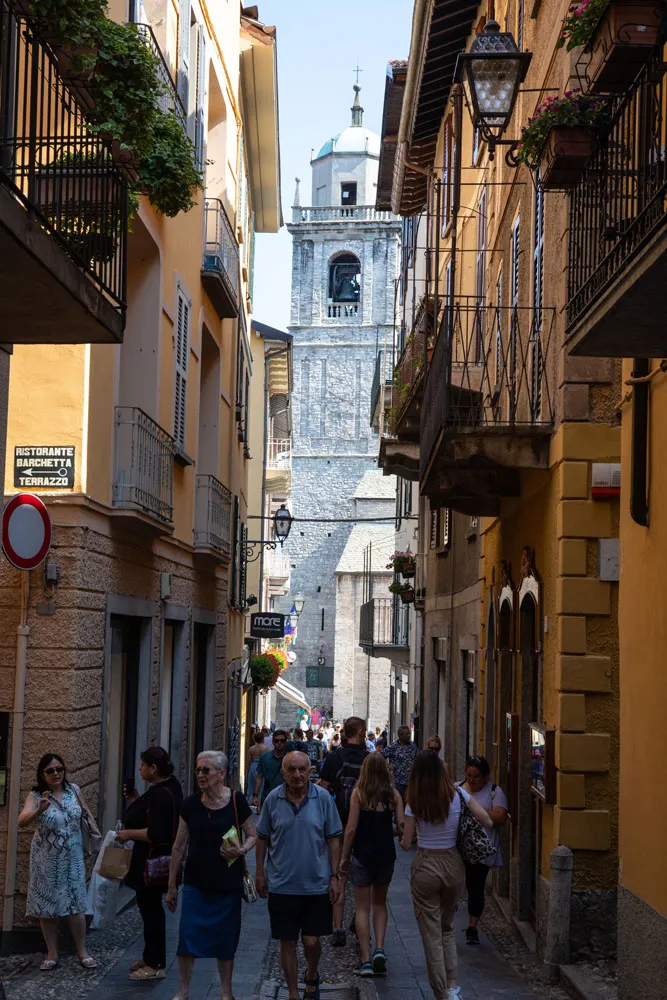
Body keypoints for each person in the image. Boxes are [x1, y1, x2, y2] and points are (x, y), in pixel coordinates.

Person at [401, 752, 493, 1000]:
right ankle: (452, 987)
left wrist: (406, 833)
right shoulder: (459, 794)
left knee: (431, 933)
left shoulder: (414, 799)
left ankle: (441, 992)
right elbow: (487, 820)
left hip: (426, 864)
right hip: (453, 863)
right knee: (447, 928)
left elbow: (407, 843)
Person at [167, 751, 257, 1000]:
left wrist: (242, 849)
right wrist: (172, 885)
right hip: (196, 882)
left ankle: (226, 991)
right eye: (198, 770)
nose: (200, 775)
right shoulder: (191, 804)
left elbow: (253, 835)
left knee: (226, 941)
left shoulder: (237, 801)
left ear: (221, 774)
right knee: (187, 936)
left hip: (227, 884)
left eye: (206, 770)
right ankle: (182, 990)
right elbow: (178, 846)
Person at [256, 752, 343, 1000]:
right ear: (283, 773)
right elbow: (262, 837)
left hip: (316, 884)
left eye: (302, 769)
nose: (297, 775)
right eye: (291, 770)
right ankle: (294, 993)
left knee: (312, 941)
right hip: (282, 885)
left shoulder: (323, 799)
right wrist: (260, 872)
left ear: (310, 771)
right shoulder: (273, 800)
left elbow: (333, 838)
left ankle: (312, 972)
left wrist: (335, 876)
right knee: (287, 941)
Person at [18, 753, 97, 971]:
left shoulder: (74, 790)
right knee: (47, 906)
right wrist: (38, 810)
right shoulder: (35, 795)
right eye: (50, 771)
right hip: (46, 859)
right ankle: (52, 953)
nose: (56, 774)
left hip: (72, 857)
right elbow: (21, 821)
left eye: (59, 769)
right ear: (42, 774)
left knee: (76, 904)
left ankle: (82, 951)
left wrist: (94, 832)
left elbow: (85, 814)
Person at [117, 746, 183, 980]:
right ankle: (149, 956)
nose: (139, 768)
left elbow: (156, 832)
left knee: (152, 914)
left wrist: (127, 834)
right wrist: (135, 800)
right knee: (149, 912)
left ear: (153, 769)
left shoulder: (161, 795)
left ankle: (156, 964)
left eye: (143, 765)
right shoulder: (169, 787)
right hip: (153, 861)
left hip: (151, 864)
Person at [339, 753, 404, 977]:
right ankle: (380, 949)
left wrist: (344, 858)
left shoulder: (359, 794)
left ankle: (366, 959)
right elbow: (402, 825)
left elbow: (350, 829)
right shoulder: (393, 795)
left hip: (362, 856)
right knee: (380, 904)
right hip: (386, 855)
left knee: (361, 908)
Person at [319, 716, 369, 946]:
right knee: (362, 880)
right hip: (363, 824)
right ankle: (360, 922)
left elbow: (323, 789)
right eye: (364, 731)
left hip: (337, 824)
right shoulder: (368, 759)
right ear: (359, 732)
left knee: (339, 873)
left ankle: (337, 926)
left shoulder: (334, 756)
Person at [458, 756, 508, 945]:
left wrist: (476, 810)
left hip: (482, 849)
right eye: (469, 775)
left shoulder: (495, 792)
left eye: (476, 776)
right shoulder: (458, 788)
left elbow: (501, 817)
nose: (471, 780)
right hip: (459, 846)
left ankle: (472, 927)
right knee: (455, 883)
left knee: (475, 886)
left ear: (485, 776)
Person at [382, 725, 419, 802]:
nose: (409, 735)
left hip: (411, 782)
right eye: (406, 734)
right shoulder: (393, 746)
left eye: (409, 733)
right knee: (399, 804)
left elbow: (417, 759)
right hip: (398, 782)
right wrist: (388, 766)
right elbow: (380, 757)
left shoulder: (413, 745)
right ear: (400, 736)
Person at [253, 729, 289, 807]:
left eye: (282, 741)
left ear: (286, 742)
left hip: (286, 797)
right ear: (273, 742)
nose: (279, 743)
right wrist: (255, 795)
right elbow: (259, 776)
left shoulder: (290, 758)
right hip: (268, 796)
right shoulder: (265, 757)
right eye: (276, 741)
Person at [246, 730, 269, 800]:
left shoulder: (251, 749)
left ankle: (250, 801)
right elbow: (267, 761)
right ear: (262, 739)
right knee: (261, 785)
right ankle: (259, 801)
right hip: (262, 767)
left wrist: (248, 771)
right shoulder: (266, 749)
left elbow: (249, 762)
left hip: (253, 767)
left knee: (252, 785)